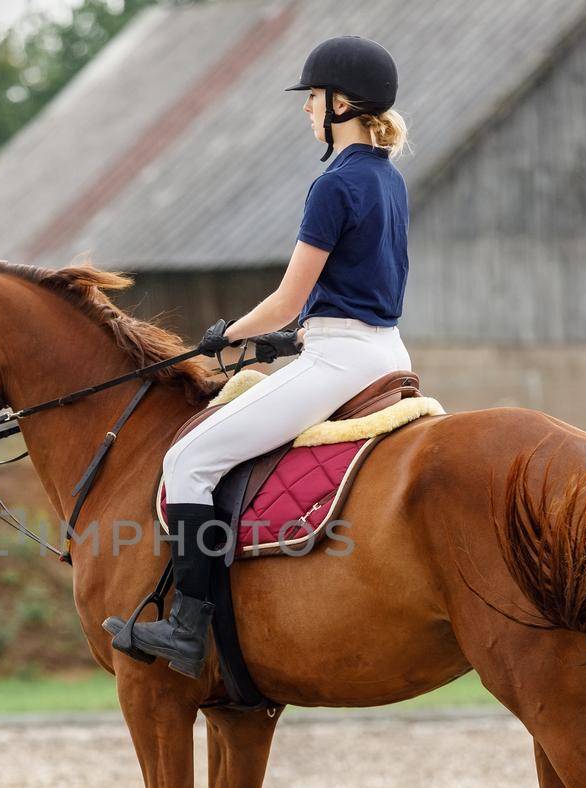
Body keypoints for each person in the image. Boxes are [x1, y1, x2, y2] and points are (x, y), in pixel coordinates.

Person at [105, 34, 413, 678]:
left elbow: (287, 297)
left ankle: (187, 629)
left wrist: (228, 334)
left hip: (342, 360)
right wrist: (295, 335)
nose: (305, 109)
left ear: (343, 104)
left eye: (313, 99)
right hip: (383, 350)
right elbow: (359, 291)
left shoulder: (332, 186)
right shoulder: (388, 177)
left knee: (187, 459)